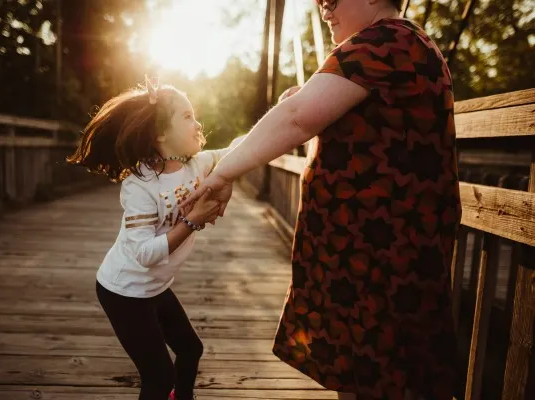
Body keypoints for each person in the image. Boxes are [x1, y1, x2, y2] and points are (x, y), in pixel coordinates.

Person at [181, 1, 461, 399]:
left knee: (380, 377)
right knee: (368, 377)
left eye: (331, 0)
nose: (325, 11)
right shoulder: (399, 44)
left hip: (381, 262)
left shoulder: (384, 41)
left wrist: (223, 173)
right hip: (375, 260)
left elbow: (297, 117)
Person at [67, 79, 245, 400]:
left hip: (154, 287)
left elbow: (239, 148)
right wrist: (192, 220)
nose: (198, 123)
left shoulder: (198, 164)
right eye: (187, 116)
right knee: (160, 378)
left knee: (191, 349)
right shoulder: (140, 186)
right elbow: (144, 254)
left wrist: (286, 109)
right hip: (123, 291)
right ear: (161, 134)